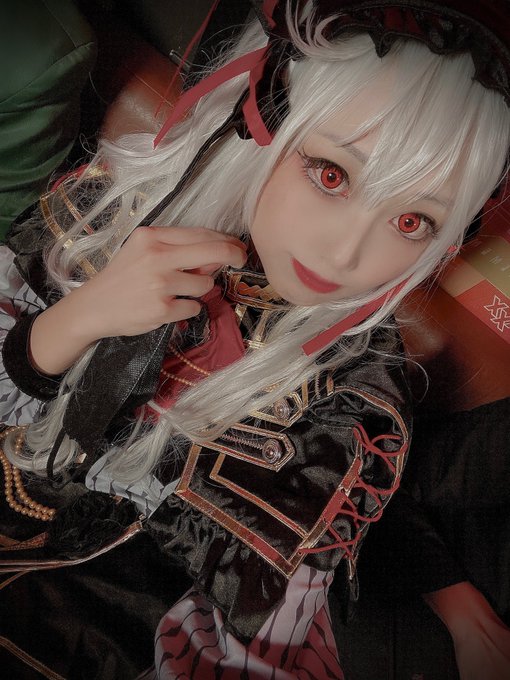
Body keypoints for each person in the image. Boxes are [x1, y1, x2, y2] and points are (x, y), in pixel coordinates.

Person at [0, 1, 509, 677]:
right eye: (332, 175)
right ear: (265, 119)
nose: (345, 253)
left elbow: (261, 627)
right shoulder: (107, 215)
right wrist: (79, 319)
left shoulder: (353, 395)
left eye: (412, 221)